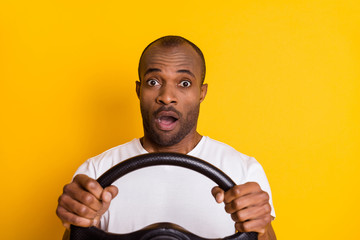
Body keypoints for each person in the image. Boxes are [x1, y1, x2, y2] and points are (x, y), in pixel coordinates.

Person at [56, 36, 276, 240]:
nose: (167, 97)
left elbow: (262, 235)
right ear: (138, 90)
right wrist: (82, 223)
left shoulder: (244, 171)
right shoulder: (96, 172)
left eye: (185, 83)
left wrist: (260, 228)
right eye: (153, 82)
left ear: (202, 92)